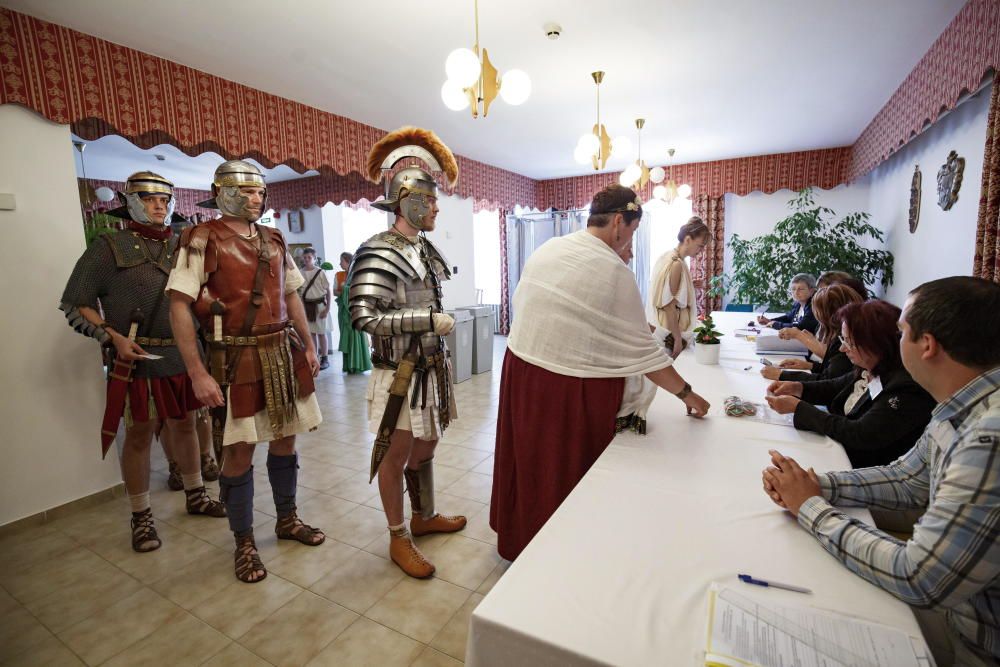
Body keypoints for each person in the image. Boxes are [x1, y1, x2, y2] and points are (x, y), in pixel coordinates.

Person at [762, 276, 1000, 666]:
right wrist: (815, 485)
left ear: (927, 345)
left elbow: (918, 576)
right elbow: (907, 479)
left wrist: (811, 508)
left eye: (902, 329)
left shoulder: (989, 435)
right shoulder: (962, 406)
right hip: (959, 612)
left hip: (973, 641)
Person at [491, 184, 711, 561]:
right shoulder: (612, 270)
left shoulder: (552, 247)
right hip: (564, 383)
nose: (630, 243)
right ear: (618, 223)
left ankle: (521, 533)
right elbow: (646, 356)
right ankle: (561, 549)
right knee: (558, 469)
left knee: (528, 459)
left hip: (521, 367)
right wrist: (688, 394)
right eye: (633, 232)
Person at [167, 160, 325, 583]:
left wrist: (308, 346)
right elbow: (179, 305)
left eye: (260, 192)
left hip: (281, 352)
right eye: (248, 191)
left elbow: (291, 296)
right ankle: (244, 542)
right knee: (239, 450)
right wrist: (198, 373)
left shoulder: (274, 239)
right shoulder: (201, 238)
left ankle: (287, 520)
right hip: (235, 359)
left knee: (286, 440)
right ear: (223, 192)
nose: (257, 199)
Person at [60, 171, 225, 553]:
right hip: (138, 357)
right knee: (138, 434)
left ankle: (196, 493)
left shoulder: (182, 246)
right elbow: (76, 302)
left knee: (186, 425)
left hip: (183, 353)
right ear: (130, 201)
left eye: (165, 200)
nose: (159, 206)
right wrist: (112, 336)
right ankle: (141, 516)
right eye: (150, 199)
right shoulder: (107, 246)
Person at [348, 127, 466, 578]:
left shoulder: (425, 248)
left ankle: (424, 514)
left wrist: (433, 323)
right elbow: (364, 318)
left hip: (430, 368)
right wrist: (424, 321)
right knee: (394, 455)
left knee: (429, 442)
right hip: (397, 370)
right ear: (407, 201)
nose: (436, 206)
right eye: (430, 199)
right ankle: (399, 536)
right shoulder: (377, 251)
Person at [765, 299, 935, 468]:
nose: (842, 348)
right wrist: (797, 388)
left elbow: (860, 433)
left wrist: (799, 408)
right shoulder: (872, 365)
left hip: (861, 466)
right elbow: (834, 386)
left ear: (874, 343)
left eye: (849, 342)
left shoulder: (906, 388)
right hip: (836, 449)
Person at [761, 284, 863, 382]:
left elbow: (828, 382)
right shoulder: (842, 333)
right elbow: (834, 371)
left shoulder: (842, 339)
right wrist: (809, 365)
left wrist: (782, 375)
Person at [646, 217, 709, 358]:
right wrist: (678, 339)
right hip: (671, 328)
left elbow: (664, 291)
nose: (701, 251)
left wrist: (689, 285)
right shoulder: (676, 264)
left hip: (666, 324)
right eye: (700, 246)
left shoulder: (668, 256)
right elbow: (668, 305)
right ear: (687, 240)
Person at [336, 251, 372, 374]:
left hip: (353, 309)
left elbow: (359, 289)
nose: (340, 263)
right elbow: (336, 292)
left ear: (348, 262)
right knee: (346, 337)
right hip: (344, 309)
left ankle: (357, 365)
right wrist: (341, 288)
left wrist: (344, 287)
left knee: (355, 336)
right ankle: (348, 365)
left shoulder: (356, 274)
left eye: (341, 261)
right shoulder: (340, 274)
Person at [299, 248, 333, 370]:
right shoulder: (300, 272)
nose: (307, 259)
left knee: (321, 333)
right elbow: (300, 293)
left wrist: (327, 308)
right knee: (311, 333)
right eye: (305, 257)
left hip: (320, 306)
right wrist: (302, 309)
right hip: (307, 306)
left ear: (314, 258)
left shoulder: (320, 272)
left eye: (309, 257)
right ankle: (315, 356)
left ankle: (325, 358)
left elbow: (328, 290)